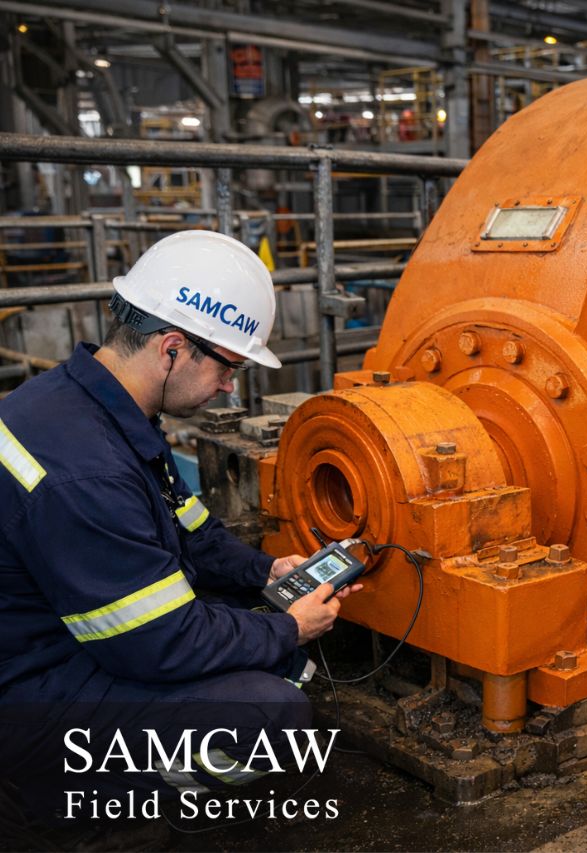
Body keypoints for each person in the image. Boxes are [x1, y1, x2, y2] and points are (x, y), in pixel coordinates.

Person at [0, 230, 358, 817]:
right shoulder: (88, 473)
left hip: (51, 625)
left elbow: (193, 531)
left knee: (260, 629)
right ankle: (66, 802)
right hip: (28, 684)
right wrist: (288, 629)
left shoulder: (99, 407)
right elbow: (158, 644)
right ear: (172, 348)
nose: (228, 387)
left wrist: (267, 568)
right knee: (270, 715)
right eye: (227, 367)